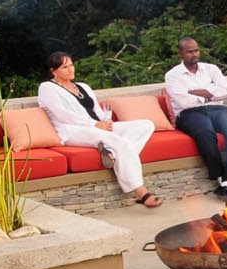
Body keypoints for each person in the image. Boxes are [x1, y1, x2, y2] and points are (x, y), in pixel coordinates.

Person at [37, 52, 161, 207]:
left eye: (71, 65)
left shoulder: (83, 86)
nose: (70, 70)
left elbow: (96, 109)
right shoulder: (47, 88)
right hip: (73, 130)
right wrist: (94, 124)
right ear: (53, 71)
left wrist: (106, 121)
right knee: (120, 142)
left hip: (97, 126)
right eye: (64, 67)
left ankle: (112, 155)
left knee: (145, 125)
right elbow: (63, 115)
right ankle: (140, 192)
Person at [163, 37, 227, 196]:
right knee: (205, 133)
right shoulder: (173, 75)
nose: (195, 54)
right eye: (189, 51)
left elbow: (225, 92)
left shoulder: (211, 69)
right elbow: (183, 101)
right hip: (189, 113)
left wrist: (197, 94)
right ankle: (221, 176)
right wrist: (209, 93)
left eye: (196, 50)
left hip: (217, 109)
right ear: (180, 53)